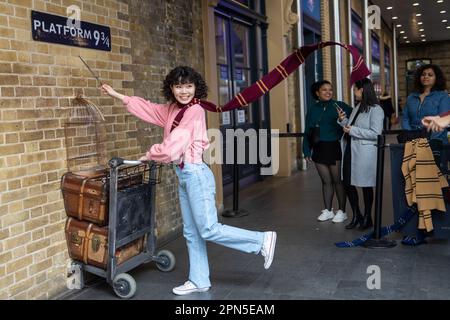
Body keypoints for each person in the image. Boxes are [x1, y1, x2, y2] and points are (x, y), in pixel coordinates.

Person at [100, 66, 277, 295]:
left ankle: (261, 241)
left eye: (189, 86)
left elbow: (178, 140)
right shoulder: (172, 108)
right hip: (183, 174)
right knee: (191, 232)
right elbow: (151, 109)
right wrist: (118, 95)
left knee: (208, 229)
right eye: (179, 86)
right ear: (171, 88)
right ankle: (199, 280)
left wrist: (151, 154)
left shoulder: (194, 110)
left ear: (196, 87)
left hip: (196, 174)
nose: (184, 91)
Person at [401, 64, 449, 245]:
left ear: (436, 77)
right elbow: (405, 117)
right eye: (423, 74)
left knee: (425, 188)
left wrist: (428, 141)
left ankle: (424, 231)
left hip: (433, 143)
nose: (426, 77)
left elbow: (443, 120)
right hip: (412, 142)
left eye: (430, 74)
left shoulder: (442, 96)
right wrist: (410, 135)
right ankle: (416, 228)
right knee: (412, 185)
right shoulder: (412, 97)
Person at [336, 78, 384, 230]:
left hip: (364, 153)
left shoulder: (376, 109)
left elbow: (376, 133)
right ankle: (357, 214)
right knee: (347, 183)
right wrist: (343, 121)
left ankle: (368, 217)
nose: (354, 91)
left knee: (365, 185)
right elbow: (351, 127)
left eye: (355, 89)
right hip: (351, 149)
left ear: (362, 89)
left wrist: (352, 130)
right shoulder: (358, 107)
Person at [303, 80, 353, 223]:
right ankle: (328, 210)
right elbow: (308, 131)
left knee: (337, 180)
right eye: (324, 90)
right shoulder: (313, 109)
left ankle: (342, 211)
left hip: (334, 146)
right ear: (317, 93)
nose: (328, 92)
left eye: (330, 89)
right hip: (318, 148)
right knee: (326, 181)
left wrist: (344, 120)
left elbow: (355, 117)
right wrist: (306, 150)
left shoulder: (339, 105)